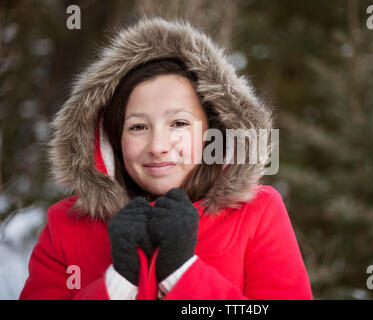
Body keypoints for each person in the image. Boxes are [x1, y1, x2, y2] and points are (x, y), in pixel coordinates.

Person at [19, 16, 313, 300]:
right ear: (112, 139)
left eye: (179, 124)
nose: (158, 146)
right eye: (137, 127)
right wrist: (118, 283)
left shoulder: (258, 214)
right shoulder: (65, 225)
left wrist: (183, 273)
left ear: (213, 130)